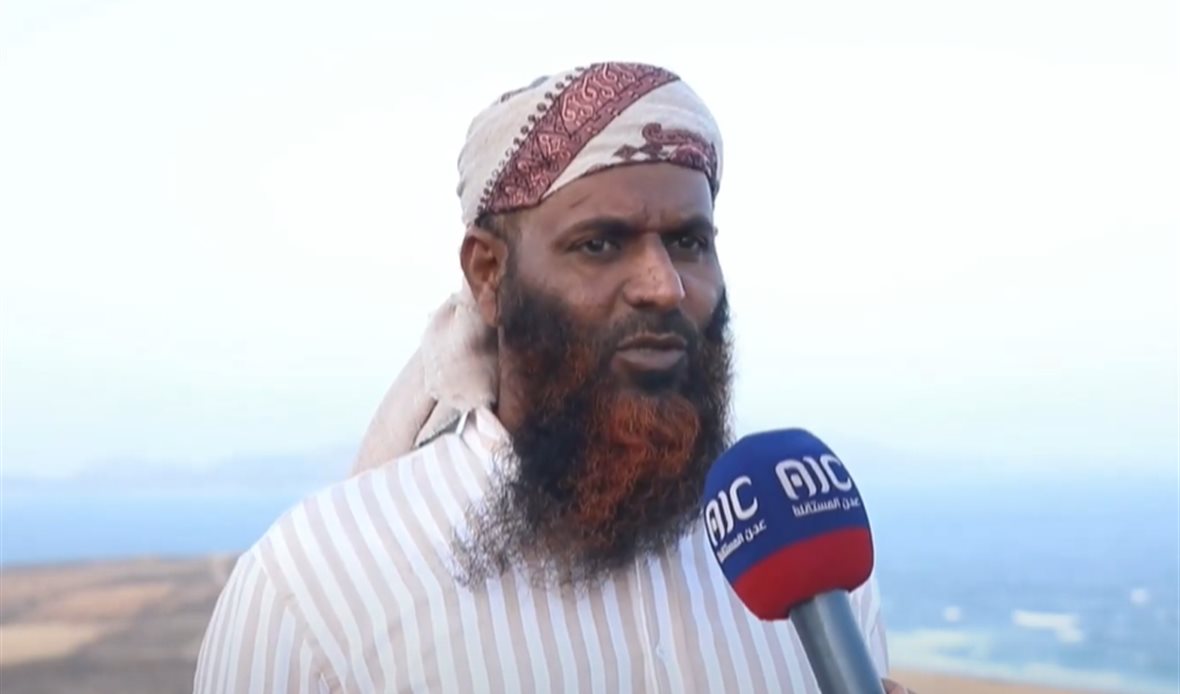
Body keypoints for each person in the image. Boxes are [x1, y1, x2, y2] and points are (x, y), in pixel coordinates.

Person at [193, 61, 916, 693]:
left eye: (688, 242)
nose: (663, 286)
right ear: (489, 274)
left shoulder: (802, 566)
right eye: (600, 244)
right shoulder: (313, 589)